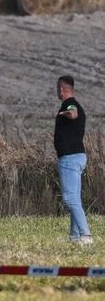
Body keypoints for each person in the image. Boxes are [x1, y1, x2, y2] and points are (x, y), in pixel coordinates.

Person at [55, 75, 91, 244]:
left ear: (62, 89)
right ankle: (75, 237)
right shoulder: (77, 105)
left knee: (69, 199)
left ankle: (86, 235)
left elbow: (73, 112)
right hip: (78, 156)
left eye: (57, 89)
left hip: (70, 158)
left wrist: (70, 113)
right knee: (75, 198)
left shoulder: (71, 105)